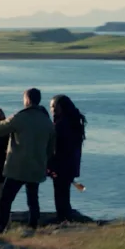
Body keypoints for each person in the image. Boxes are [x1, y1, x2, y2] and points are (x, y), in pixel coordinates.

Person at [0, 88, 56, 231]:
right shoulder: (47, 122)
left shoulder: (20, 118)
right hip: (37, 167)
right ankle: (33, 226)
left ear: (28, 99)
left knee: (6, 200)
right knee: (33, 200)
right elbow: (50, 149)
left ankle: (0, 227)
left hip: (17, 168)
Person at [48, 94, 86, 223]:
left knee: (60, 196)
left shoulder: (61, 125)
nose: (52, 109)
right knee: (64, 195)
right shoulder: (74, 122)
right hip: (70, 165)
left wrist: (50, 165)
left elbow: (58, 148)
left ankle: (64, 220)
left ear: (61, 107)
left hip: (61, 165)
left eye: (54, 106)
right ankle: (66, 219)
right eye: (51, 107)